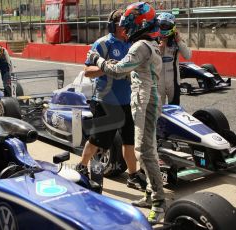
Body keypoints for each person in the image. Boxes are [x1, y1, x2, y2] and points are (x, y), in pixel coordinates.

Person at [87, 2, 165, 223]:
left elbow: (117, 70)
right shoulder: (150, 42)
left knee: (145, 150)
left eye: (130, 26)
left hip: (145, 102)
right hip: (147, 99)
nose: (127, 30)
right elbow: (125, 73)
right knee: (146, 148)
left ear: (139, 24)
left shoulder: (139, 46)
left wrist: (97, 60)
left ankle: (159, 202)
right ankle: (150, 194)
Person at [75, 9, 142, 190]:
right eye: (122, 24)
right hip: (106, 101)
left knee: (130, 141)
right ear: (113, 26)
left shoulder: (133, 44)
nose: (125, 28)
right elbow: (87, 72)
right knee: (98, 141)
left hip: (128, 101)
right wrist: (106, 67)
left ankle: (133, 175)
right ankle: (81, 166)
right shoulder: (102, 44)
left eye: (127, 24)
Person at [157, 12, 192, 105]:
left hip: (173, 81)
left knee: (175, 110)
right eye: (162, 25)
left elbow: (188, 56)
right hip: (158, 82)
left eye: (166, 26)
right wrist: (160, 49)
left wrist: (179, 41)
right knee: (159, 112)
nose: (164, 28)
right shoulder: (153, 40)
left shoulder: (177, 40)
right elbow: (150, 61)